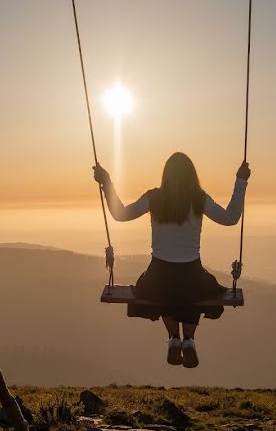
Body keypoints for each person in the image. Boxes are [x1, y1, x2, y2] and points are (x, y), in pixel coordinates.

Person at [94, 152, 250, 368]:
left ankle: (174, 339)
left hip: (158, 276)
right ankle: (188, 342)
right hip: (192, 275)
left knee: (164, 291)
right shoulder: (199, 198)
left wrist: (107, 183)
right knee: (193, 291)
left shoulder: (154, 198)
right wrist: (241, 181)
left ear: (165, 175)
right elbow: (230, 218)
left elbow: (120, 214)